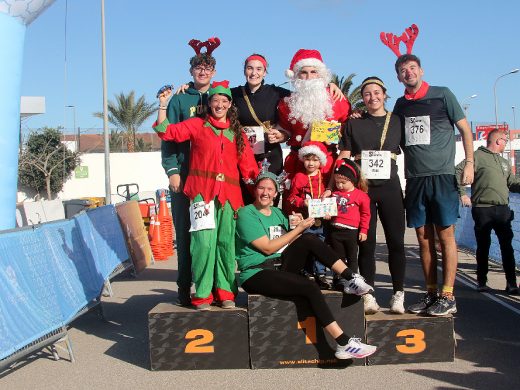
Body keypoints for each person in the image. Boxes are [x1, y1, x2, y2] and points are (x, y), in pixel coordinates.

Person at [235, 171, 377, 360]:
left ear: (276, 193)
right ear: (255, 190)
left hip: (279, 266)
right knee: (309, 286)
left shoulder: (277, 212)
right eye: (261, 188)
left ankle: (351, 278)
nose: (265, 192)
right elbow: (268, 248)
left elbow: (291, 239)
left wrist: (310, 221)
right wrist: (298, 230)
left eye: (270, 189)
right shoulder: (246, 213)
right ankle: (343, 343)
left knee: (309, 238)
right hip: (256, 272)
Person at [154, 80, 259, 310]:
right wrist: (163, 106)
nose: (219, 104)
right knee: (203, 244)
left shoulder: (236, 132)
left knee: (225, 245)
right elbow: (166, 132)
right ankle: (202, 294)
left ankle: (225, 292)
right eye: (215, 100)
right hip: (202, 194)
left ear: (230, 104)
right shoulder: (196, 125)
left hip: (230, 197)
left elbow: (249, 167)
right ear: (209, 103)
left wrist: (264, 184)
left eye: (224, 101)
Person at [392, 54, 474, 316]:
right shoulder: (399, 105)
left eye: (412, 68)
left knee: (445, 236)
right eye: (403, 70)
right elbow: (390, 133)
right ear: (398, 77)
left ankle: (448, 296)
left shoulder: (443, 94)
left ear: (421, 71)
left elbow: (465, 129)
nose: (408, 73)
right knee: (422, 239)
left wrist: (470, 162)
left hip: (442, 176)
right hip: (415, 179)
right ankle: (430, 294)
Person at [336, 77, 407, 315]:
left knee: (396, 242)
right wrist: (331, 186)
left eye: (376, 92)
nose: (372, 97)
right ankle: (369, 295)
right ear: (362, 98)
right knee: (365, 244)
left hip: (390, 188)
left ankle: (398, 294)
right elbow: (345, 156)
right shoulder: (353, 123)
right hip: (364, 191)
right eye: (367, 94)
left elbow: (413, 149)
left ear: (385, 94)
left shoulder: (397, 121)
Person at [160, 38, 219, 306]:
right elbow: (168, 137)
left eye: (207, 68)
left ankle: (216, 289)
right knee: (185, 235)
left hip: (214, 180)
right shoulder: (180, 100)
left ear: (214, 72)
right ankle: (185, 288)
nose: (203, 72)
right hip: (185, 179)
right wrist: (172, 170)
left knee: (214, 236)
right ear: (191, 71)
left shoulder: (222, 97)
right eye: (198, 67)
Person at [455, 129, 520, 294]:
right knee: (483, 246)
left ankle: (511, 284)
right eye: (505, 140)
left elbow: (512, 183)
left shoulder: (503, 162)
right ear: (498, 140)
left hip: (503, 210)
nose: (506, 143)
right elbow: (456, 172)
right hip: (483, 209)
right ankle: (482, 282)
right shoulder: (476, 157)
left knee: (507, 247)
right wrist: (462, 194)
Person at [277, 49, 351, 182]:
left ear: (321, 75)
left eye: (313, 72)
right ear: (296, 76)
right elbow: (285, 130)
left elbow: (349, 128)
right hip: (297, 165)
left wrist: (337, 135)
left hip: (326, 165)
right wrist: (281, 135)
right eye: (303, 72)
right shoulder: (287, 103)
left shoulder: (337, 99)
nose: (309, 77)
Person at [285, 141, 330, 288]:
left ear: (321, 161)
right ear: (303, 159)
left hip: (321, 220)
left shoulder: (325, 177)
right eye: (308, 159)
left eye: (315, 160)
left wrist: (329, 211)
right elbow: (291, 197)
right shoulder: (299, 177)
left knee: (321, 246)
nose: (311, 163)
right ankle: (307, 271)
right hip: (305, 220)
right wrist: (302, 202)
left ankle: (321, 273)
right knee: (306, 245)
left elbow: (331, 197)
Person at [327, 158, 370, 292]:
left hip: (351, 232)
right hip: (335, 230)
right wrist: (327, 216)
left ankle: (353, 281)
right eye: (337, 182)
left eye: (343, 182)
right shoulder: (334, 194)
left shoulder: (361, 196)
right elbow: (328, 210)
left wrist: (364, 230)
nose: (339, 185)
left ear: (352, 180)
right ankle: (339, 280)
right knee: (338, 258)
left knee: (352, 257)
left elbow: (365, 214)